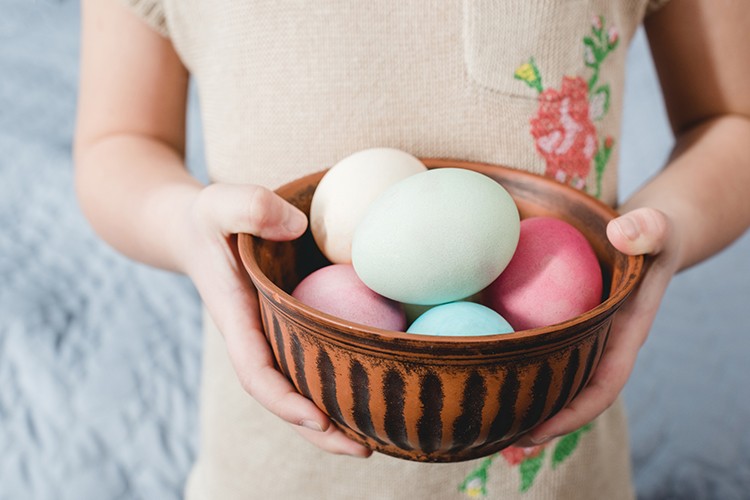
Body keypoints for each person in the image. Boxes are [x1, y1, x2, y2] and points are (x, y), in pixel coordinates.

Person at [73, 0, 750, 498]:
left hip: (557, 468)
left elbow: (730, 119)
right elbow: (117, 145)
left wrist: (666, 230)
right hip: (272, 469)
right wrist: (187, 224)